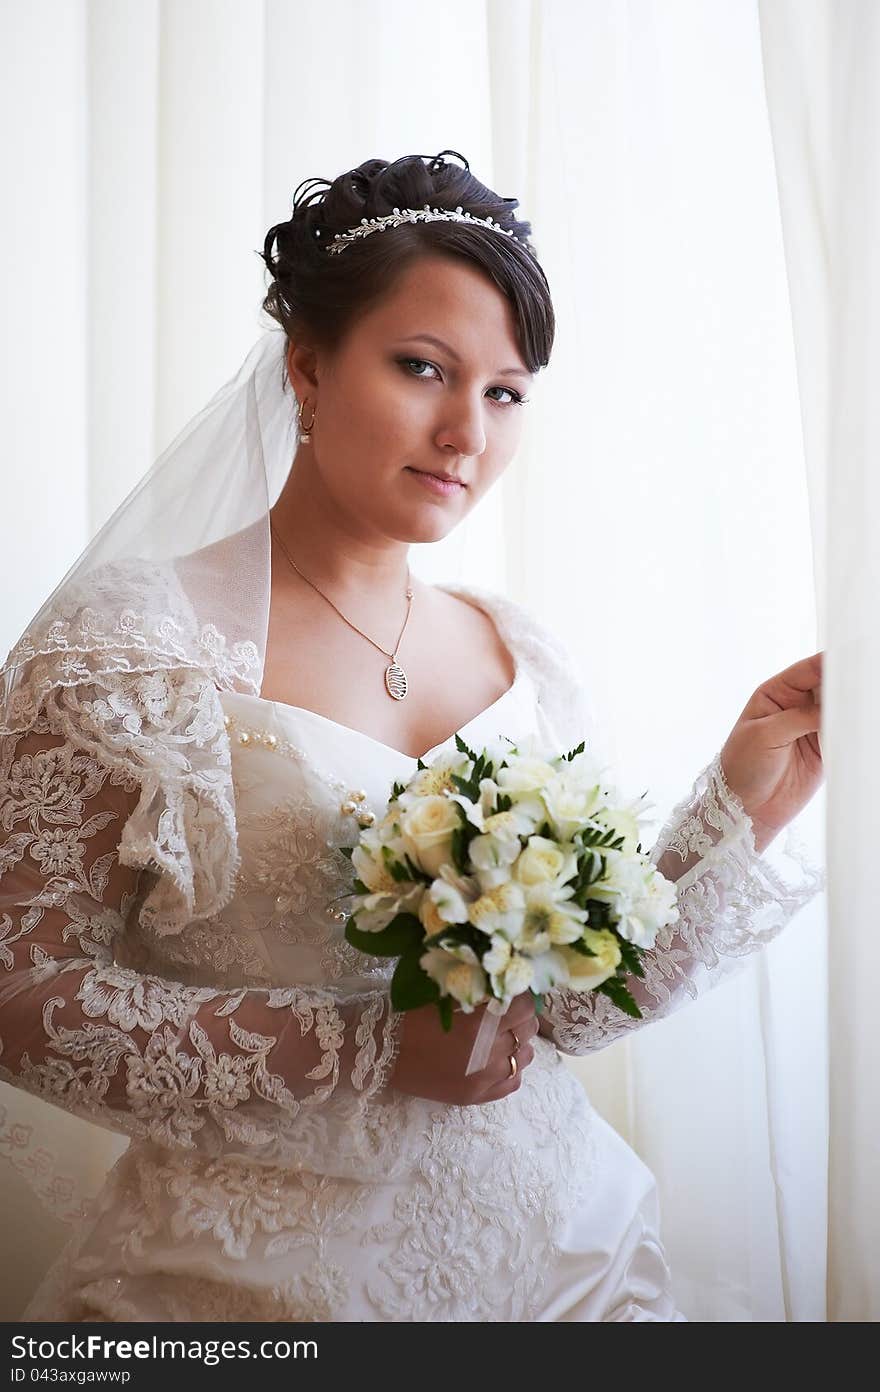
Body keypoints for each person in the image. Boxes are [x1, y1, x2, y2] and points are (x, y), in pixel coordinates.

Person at [0, 150, 825, 1322]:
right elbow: (22, 993)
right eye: (421, 369)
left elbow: (568, 1014)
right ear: (307, 368)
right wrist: (365, 1049)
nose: (464, 435)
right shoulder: (134, 645)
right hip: (248, 1290)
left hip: (572, 1264)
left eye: (505, 393)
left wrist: (746, 799)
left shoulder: (515, 653)